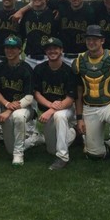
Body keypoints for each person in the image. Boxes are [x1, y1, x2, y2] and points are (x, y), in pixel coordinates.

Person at [72, 25, 110, 176]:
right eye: (89, 39)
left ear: (102, 41)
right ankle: (107, 147)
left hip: (109, 105)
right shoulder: (79, 61)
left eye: (95, 39)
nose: (91, 42)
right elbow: (78, 93)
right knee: (94, 155)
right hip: (89, 107)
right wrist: (79, 118)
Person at [0, 35, 38, 166]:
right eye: (7, 48)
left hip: (24, 109)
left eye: (13, 48)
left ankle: (19, 154)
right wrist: (6, 104)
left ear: (20, 50)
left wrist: (8, 110)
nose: (9, 51)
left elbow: (29, 98)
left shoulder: (26, 69)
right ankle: (33, 139)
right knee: (9, 150)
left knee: (17, 116)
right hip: (6, 107)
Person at [33, 37, 78, 170]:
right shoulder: (40, 69)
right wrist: (50, 106)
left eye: (55, 48)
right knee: (51, 149)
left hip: (67, 109)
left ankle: (63, 157)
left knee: (59, 116)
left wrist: (52, 110)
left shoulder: (69, 71)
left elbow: (70, 99)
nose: (52, 51)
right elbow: (36, 93)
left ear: (61, 50)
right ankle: (73, 134)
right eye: (49, 49)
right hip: (48, 109)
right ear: (46, 52)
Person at [20, 0, 59, 69]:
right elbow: (21, 34)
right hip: (29, 59)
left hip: (48, 58)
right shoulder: (26, 14)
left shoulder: (53, 14)